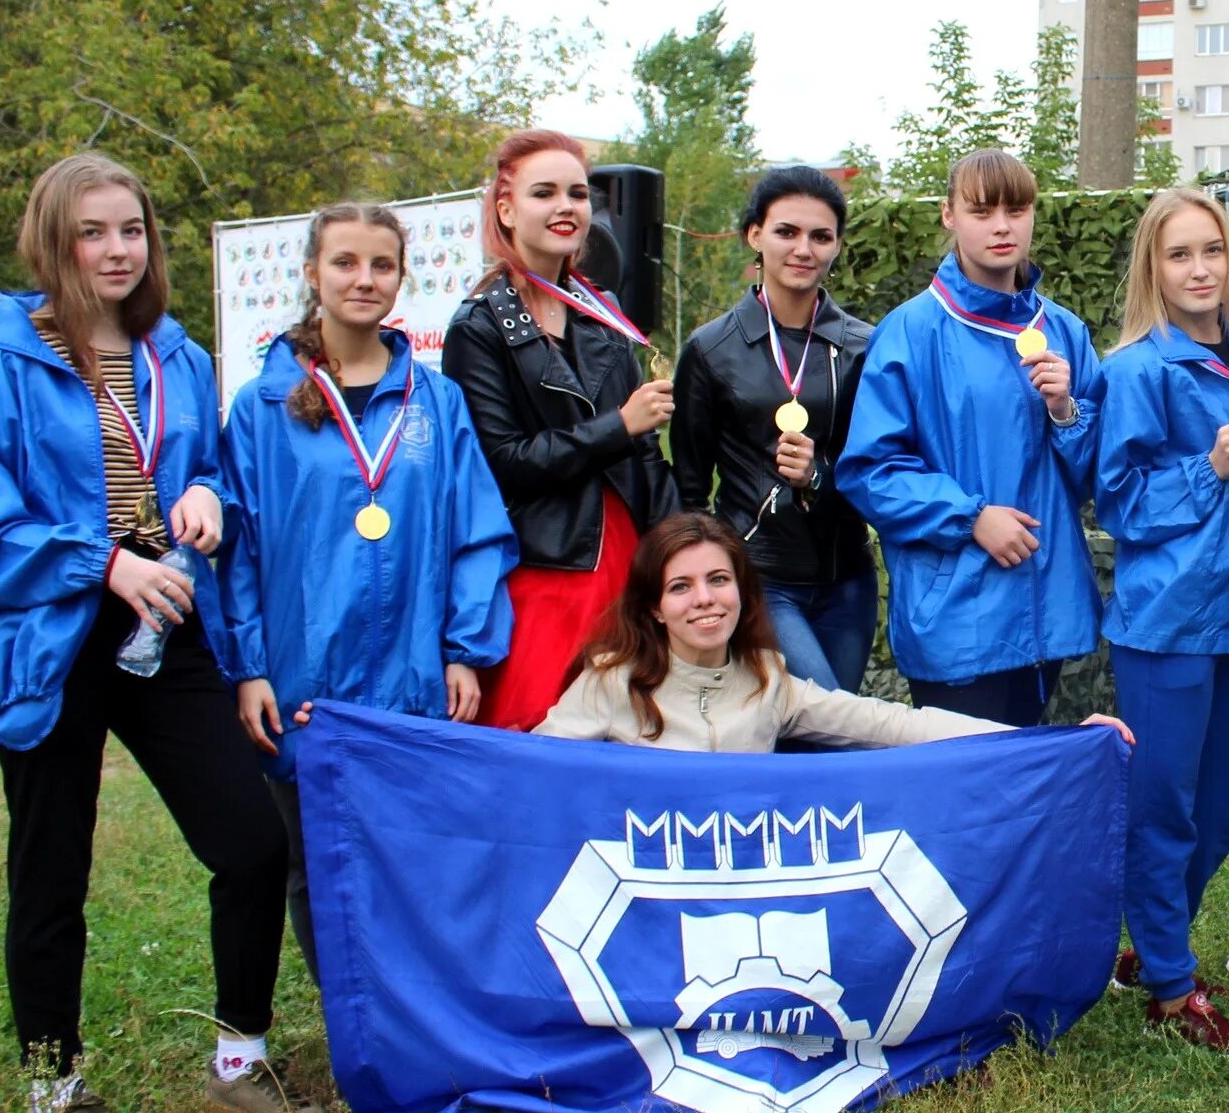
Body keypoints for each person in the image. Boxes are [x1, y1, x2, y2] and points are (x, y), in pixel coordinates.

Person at [0, 153, 320, 1113]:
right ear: (54, 244)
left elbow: (205, 470)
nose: (116, 250)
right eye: (92, 233)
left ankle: (239, 1063)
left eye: (132, 231)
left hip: (168, 635)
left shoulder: (175, 356)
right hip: (53, 642)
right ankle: (55, 1093)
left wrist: (204, 494)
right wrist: (102, 564)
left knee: (249, 840)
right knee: (50, 868)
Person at [219, 202, 519, 976]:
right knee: (315, 860)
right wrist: (249, 666)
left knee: (418, 853)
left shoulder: (436, 400)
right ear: (313, 273)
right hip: (301, 672)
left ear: (401, 277)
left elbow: (475, 531)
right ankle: (349, 1014)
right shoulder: (261, 407)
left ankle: (420, 1011)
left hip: (414, 671)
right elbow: (241, 550)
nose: (364, 279)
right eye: (345, 262)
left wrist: (464, 647)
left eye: (381, 264)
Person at [1094, 188, 1229, 1054]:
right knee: (1165, 809)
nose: (1200, 268)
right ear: (1155, 268)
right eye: (1179, 255)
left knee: (1224, 806)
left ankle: (1152, 941)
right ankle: (1174, 987)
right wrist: (1206, 468)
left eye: (1211, 249)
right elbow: (1120, 501)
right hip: (1169, 623)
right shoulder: (1137, 369)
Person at [840, 150, 1104, 726]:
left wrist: (1065, 410)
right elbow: (870, 472)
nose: (1003, 225)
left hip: (1046, 611)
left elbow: (1096, 479)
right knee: (966, 802)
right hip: (956, 618)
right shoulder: (910, 331)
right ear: (949, 216)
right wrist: (971, 516)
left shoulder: (1064, 331)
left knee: (1026, 796)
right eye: (982, 210)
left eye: (1018, 208)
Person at [444, 130, 678, 731]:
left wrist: (683, 547)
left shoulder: (603, 312)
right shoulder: (479, 326)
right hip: (544, 566)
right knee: (538, 731)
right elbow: (504, 462)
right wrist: (618, 426)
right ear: (506, 208)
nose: (565, 208)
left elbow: (646, 454)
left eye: (577, 194)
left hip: (624, 559)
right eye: (543, 193)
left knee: (630, 733)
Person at [538, 513, 1006, 751]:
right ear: (655, 608)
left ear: (741, 591)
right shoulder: (611, 681)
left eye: (718, 580)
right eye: (681, 587)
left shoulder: (768, 681)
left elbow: (893, 725)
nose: (704, 599)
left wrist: (1027, 741)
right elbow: (528, 768)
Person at [672, 167, 877, 691]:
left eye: (820, 236)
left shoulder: (864, 346)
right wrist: (706, 586)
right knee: (828, 721)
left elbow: (880, 464)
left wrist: (817, 475)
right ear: (754, 236)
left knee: (827, 728)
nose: (803, 248)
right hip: (762, 578)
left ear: (836, 246)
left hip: (848, 577)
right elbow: (691, 486)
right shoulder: (710, 349)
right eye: (787, 231)